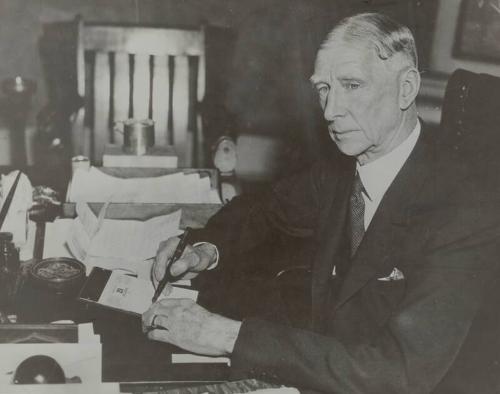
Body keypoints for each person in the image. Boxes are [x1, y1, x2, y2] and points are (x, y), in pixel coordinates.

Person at [142, 12, 500, 393]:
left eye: (351, 85)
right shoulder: (342, 169)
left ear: (407, 88)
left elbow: (396, 372)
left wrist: (229, 336)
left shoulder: (466, 211)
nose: (330, 111)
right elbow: (264, 210)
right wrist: (206, 249)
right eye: (324, 89)